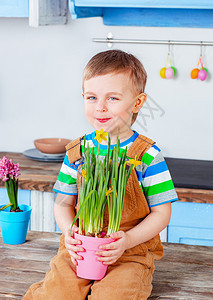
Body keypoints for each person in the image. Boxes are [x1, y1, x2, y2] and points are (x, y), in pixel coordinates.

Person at [23, 50, 178, 300]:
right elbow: (63, 203)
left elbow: (162, 213)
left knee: (115, 295)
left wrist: (126, 241)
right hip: (80, 248)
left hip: (128, 252)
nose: (100, 107)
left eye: (113, 98)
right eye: (92, 97)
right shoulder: (78, 151)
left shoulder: (147, 155)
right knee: (56, 294)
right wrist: (69, 233)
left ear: (138, 102)